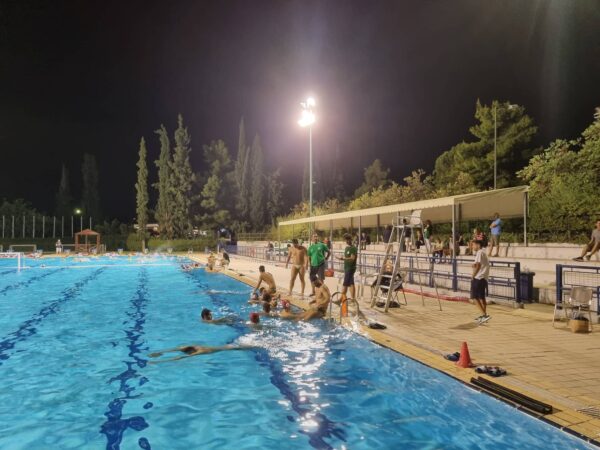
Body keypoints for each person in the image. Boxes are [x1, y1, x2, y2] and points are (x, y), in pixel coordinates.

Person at [148, 343, 254, 362]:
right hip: (225, 346)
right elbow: (175, 349)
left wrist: (159, 361)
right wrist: (160, 352)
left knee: (245, 347)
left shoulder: (201, 351)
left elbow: (182, 357)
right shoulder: (194, 346)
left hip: (227, 348)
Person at [471, 240, 491, 324]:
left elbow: (478, 265)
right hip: (484, 278)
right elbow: (479, 264)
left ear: (478, 245)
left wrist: (473, 275)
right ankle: (484, 317)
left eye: (473, 245)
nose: (472, 246)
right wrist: (474, 265)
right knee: (482, 298)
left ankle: (484, 315)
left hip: (479, 278)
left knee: (474, 297)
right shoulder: (483, 252)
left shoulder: (479, 252)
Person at [337, 233, 357, 301]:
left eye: (348, 239)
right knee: (351, 283)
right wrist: (342, 258)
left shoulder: (353, 248)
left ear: (351, 239)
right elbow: (347, 257)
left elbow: (352, 258)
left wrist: (343, 258)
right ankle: (353, 298)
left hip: (350, 268)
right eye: (346, 240)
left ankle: (341, 299)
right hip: (347, 267)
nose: (347, 241)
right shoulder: (347, 248)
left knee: (345, 283)